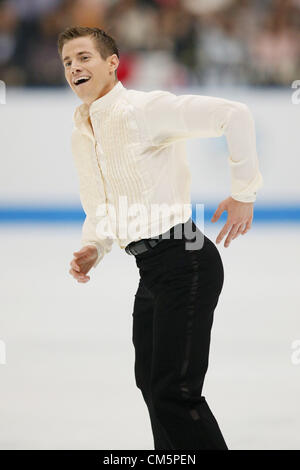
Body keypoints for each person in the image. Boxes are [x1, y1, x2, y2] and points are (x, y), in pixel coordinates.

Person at [57, 26, 263, 450]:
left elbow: (235, 114)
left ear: (113, 63)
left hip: (185, 260)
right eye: (67, 62)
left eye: (83, 57)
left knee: (174, 393)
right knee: (152, 387)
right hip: (150, 270)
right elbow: (103, 200)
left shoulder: (144, 109)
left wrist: (244, 192)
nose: (74, 67)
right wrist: (95, 246)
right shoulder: (84, 130)